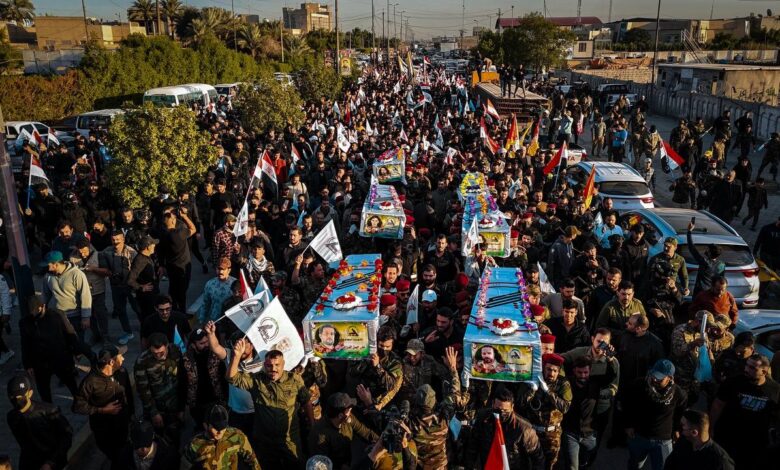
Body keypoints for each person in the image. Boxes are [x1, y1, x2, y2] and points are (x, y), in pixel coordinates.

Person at [228, 342, 314, 468]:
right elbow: (231, 378)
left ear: (283, 364)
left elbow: (306, 401)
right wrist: (236, 356)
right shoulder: (256, 380)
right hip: (265, 441)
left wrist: (312, 424)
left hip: (289, 439)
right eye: (269, 365)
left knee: (296, 464)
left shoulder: (294, 380)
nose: (273, 369)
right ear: (264, 366)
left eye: (277, 365)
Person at [710, 354, 780, 470]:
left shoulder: (775, 389)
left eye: (752, 368)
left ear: (764, 371)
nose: (746, 369)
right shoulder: (733, 382)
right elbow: (718, 405)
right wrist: (711, 427)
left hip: (755, 442)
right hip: (729, 436)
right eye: (747, 365)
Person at [19, 296, 91, 402]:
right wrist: (28, 364)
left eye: (37, 311)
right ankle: (48, 407)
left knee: (71, 383)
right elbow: (25, 344)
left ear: (43, 306)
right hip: (40, 362)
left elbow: (69, 334)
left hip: (60, 358)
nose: (35, 314)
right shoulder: (25, 323)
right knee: (44, 390)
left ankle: (80, 402)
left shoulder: (57, 315)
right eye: (32, 312)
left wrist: (77, 351)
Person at [72, 345, 134, 467]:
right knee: (115, 456)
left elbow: (128, 395)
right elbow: (77, 406)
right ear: (111, 362)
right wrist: (101, 410)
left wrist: (131, 414)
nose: (123, 359)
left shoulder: (122, 372)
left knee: (123, 452)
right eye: (120, 356)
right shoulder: (90, 382)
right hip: (104, 430)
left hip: (122, 424)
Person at [623, 359, 687, 470]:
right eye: (653, 375)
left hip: (663, 441)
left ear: (670, 378)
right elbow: (627, 404)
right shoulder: (639, 385)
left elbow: (679, 414)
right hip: (640, 436)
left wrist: (676, 430)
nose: (654, 379)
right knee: (634, 466)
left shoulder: (679, 394)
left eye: (659, 378)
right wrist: (628, 424)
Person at [465, 385, 545, 470]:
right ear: (493, 404)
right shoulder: (483, 419)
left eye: (505, 411)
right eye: (498, 409)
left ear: (512, 407)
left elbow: (537, 458)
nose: (501, 414)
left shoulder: (524, 429)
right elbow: (472, 447)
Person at [517, 353, 572, 470]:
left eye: (555, 371)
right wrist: (532, 389)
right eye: (548, 369)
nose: (551, 373)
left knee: (549, 464)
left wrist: (548, 391)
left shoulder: (563, 384)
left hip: (551, 434)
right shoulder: (532, 379)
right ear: (543, 368)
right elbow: (521, 404)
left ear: (558, 371)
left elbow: (565, 408)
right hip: (532, 431)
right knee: (529, 462)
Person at [6, 374, 73, 470]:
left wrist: (51, 462)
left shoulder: (49, 411)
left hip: (53, 462)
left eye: (20, 396)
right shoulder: (12, 417)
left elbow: (66, 436)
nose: (16, 400)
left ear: (30, 393)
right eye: (13, 396)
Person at [133, 332, 185, 446]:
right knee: (159, 438)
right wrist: (154, 413)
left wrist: (182, 407)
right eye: (154, 353)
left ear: (167, 346)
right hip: (157, 407)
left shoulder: (175, 351)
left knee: (176, 436)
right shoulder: (142, 361)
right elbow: (143, 390)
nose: (158, 355)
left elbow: (182, 379)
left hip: (175, 405)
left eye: (161, 352)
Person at [307, 392, 378, 469]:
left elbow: (365, 432)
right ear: (340, 415)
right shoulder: (319, 435)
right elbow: (323, 464)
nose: (351, 411)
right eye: (349, 410)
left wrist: (380, 441)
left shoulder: (347, 418)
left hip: (346, 458)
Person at [182, 404, 261, 470]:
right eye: (216, 428)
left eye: (223, 427)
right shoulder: (194, 444)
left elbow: (252, 460)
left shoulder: (237, 436)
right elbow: (184, 466)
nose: (220, 432)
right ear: (205, 425)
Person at [41, 250, 92, 341]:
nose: (47, 268)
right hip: (58, 317)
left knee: (77, 343)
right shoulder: (47, 277)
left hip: (75, 317)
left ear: (55, 264)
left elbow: (85, 295)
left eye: (48, 265)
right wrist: (42, 308)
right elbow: (45, 295)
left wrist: (86, 317)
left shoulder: (77, 274)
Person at [561, 357, 602, 470]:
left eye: (585, 372)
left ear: (590, 371)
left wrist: (611, 359)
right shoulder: (566, 384)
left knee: (585, 461)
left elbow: (612, 376)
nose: (583, 376)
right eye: (579, 372)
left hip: (590, 434)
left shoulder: (596, 385)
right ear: (574, 370)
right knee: (572, 466)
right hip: (570, 433)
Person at [349, 326, 403, 411]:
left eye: (388, 346)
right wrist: (366, 360)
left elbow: (390, 385)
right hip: (357, 396)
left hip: (376, 402)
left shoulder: (395, 362)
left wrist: (378, 367)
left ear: (392, 344)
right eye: (381, 345)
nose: (384, 349)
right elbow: (352, 372)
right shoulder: (366, 352)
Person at [182, 328, 227, 426]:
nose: (206, 345)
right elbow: (182, 383)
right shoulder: (186, 360)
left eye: (207, 341)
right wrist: (182, 407)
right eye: (202, 343)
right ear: (193, 345)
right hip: (197, 404)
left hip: (216, 400)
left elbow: (224, 377)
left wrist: (225, 398)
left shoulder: (216, 354)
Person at [99, 230, 136, 345]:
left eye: (118, 239)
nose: (116, 242)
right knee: (120, 310)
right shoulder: (107, 251)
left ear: (123, 239)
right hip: (116, 286)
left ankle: (146, 330)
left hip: (130, 286)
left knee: (137, 308)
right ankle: (128, 332)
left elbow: (137, 269)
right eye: (113, 240)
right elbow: (100, 261)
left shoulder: (131, 252)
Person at [664, 409, 734, 470]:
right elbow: (670, 465)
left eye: (682, 426)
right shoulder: (683, 442)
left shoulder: (720, 461)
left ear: (694, 432)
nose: (680, 429)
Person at [157, 208, 197, 313]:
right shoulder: (179, 233)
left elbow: (160, 250)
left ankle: (173, 309)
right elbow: (193, 229)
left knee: (173, 289)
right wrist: (185, 216)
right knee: (182, 291)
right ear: (173, 221)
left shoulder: (163, 234)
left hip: (170, 266)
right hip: (183, 267)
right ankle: (181, 312)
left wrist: (161, 265)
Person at [127, 236, 160, 323]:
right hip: (146, 299)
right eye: (153, 244)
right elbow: (130, 280)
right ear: (148, 247)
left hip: (152, 296)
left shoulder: (147, 257)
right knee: (148, 320)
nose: (154, 246)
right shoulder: (139, 260)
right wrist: (141, 287)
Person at [686, 221, 725, 295]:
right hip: (713, 293)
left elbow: (692, 248)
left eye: (707, 249)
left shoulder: (705, 262)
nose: (705, 250)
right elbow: (721, 280)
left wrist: (689, 232)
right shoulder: (722, 265)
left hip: (701, 293)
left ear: (709, 253)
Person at [198, 257, 236, 325]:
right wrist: (201, 320)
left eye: (223, 269)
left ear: (229, 270)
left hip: (230, 322)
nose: (220, 272)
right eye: (218, 269)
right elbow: (205, 304)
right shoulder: (210, 284)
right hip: (214, 322)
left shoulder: (236, 284)